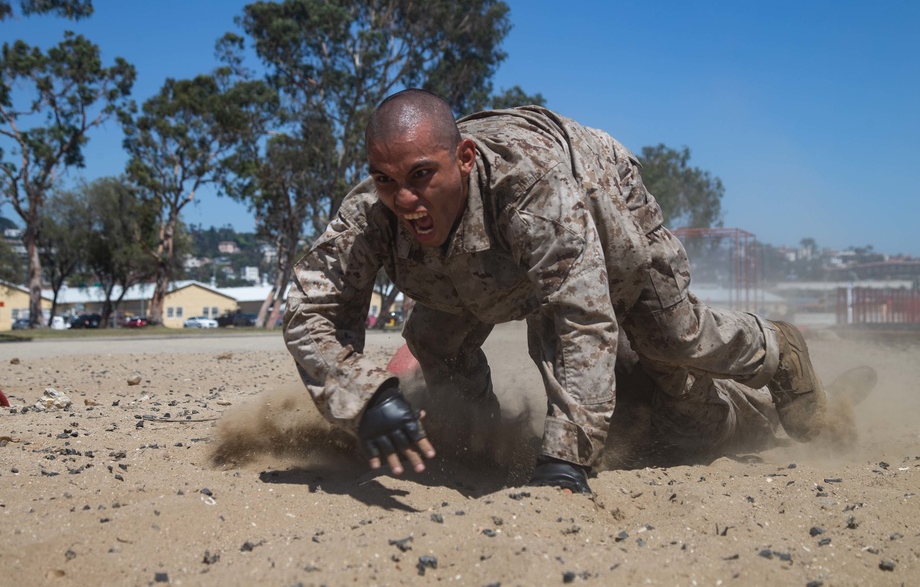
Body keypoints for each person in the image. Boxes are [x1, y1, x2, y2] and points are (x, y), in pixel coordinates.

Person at [282, 89, 829, 494]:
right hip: (483, 269)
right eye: (385, 179)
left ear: (465, 159)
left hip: (599, 196)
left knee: (671, 339)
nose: (402, 199)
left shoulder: (533, 190)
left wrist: (568, 459)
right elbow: (309, 310)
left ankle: (775, 350)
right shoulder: (371, 213)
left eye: (422, 175)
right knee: (437, 339)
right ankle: (473, 442)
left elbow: (578, 315)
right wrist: (362, 394)